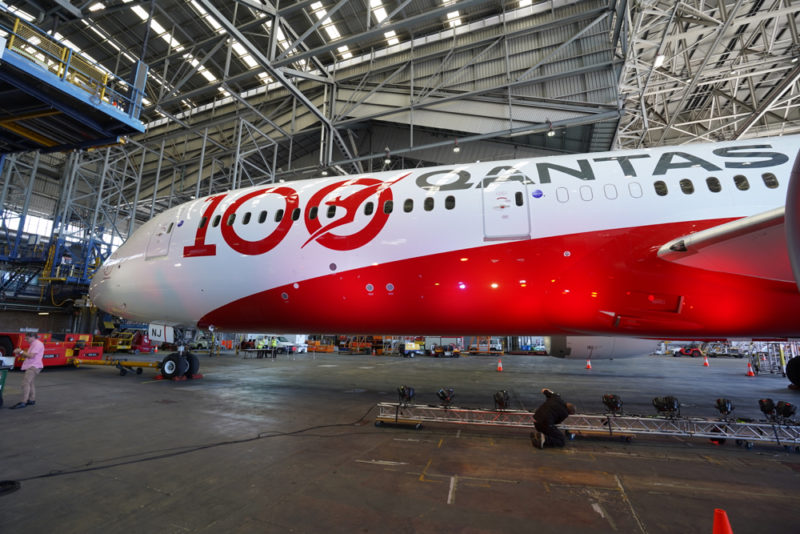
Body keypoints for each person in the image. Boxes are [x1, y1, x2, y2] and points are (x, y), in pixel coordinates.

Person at [10, 333, 45, 410]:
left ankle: (23, 402)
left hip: (33, 366)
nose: (26, 340)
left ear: (33, 337)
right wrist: (19, 353)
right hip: (33, 365)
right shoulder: (33, 344)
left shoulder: (37, 344)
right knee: (30, 383)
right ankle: (32, 400)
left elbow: (31, 356)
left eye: (27, 338)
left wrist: (21, 351)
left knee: (25, 383)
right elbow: (28, 356)